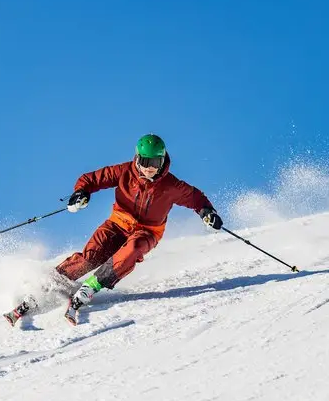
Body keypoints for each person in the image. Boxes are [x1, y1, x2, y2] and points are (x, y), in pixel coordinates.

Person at [52, 134, 223, 322]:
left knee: (133, 249)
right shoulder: (124, 171)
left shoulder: (171, 185)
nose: (150, 168)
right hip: (118, 223)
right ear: (137, 158)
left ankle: (93, 284)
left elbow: (195, 198)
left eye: (156, 162)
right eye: (145, 161)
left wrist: (207, 212)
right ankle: (55, 280)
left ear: (163, 160)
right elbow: (92, 179)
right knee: (91, 256)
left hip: (148, 231)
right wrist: (81, 192)